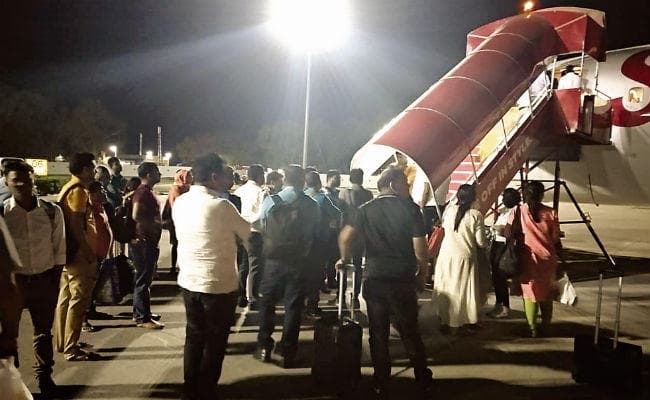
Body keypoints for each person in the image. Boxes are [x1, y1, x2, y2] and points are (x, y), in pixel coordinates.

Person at [337, 166, 433, 397]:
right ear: (392, 184)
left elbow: (345, 237)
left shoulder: (365, 209)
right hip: (402, 280)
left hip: (375, 279)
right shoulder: (411, 209)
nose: (407, 188)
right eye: (405, 183)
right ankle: (422, 376)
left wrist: (344, 259)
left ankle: (381, 380)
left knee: (378, 333)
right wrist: (422, 275)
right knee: (410, 330)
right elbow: (421, 249)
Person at [173, 153, 251, 400]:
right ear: (214, 176)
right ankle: (206, 391)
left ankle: (190, 389)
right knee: (215, 342)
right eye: (226, 173)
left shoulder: (181, 202)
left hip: (189, 280)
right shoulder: (221, 206)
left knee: (194, 337)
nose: (229, 178)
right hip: (218, 285)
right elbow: (248, 233)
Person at [1, 160, 66, 398]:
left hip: (43, 280)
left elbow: (59, 249)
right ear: (6, 182)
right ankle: (15, 382)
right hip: (14, 284)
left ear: (33, 180)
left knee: (43, 332)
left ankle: (44, 376)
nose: (21, 184)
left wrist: (55, 281)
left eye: (26, 179)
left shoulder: (51, 211)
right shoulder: (3, 214)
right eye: (15, 180)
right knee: (10, 334)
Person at [255, 164, 320, 368]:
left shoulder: (272, 200)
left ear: (285, 180)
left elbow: (262, 225)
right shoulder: (312, 204)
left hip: (274, 260)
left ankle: (264, 345)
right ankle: (287, 350)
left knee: (267, 302)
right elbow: (314, 231)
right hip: (300, 261)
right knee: (293, 306)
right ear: (302, 181)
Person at [55, 152, 100, 361]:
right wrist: (88, 251)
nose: (95, 170)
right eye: (93, 167)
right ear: (84, 169)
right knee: (78, 300)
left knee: (65, 298)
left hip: (68, 253)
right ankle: (71, 348)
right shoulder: (78, 191)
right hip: (79, 255)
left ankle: (63, 342)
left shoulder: (68, 186)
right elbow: (76, 224)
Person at [506, 181, 560, 338]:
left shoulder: (518, 211)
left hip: (527, 259)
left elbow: (508, 232)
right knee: (546, 294)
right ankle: (546, 325)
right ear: (542, 195)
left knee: (530, 294)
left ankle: (532, 328)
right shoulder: (551, 213)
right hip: (547, 259)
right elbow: (555, 237)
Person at [432, 184, 488, 334]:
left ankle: (445, 320)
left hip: (445, 256)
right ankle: (458, 323)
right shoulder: (475, 215)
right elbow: (481, 242)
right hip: (465, 257)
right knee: (462, 292)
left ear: (458, 196)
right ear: (473, 198)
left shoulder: (449, 211)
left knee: (447, 288)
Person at [131, 162, 164, 329]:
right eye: (157, 171)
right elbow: (136, 215)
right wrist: (153, 226)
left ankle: (142, 312)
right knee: (143, 279)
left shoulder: (147, 191)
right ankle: (142, 318)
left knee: (145, 278)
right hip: (144, 242)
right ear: (149, 174)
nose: (160, 174)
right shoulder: (143, 192)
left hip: (148, 241)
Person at [304, 171, 341, 318]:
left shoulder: (303, 196)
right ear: (319, 182)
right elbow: (337, 214)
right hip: (319, 240)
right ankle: (312, 306)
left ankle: (300, 304)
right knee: (315, 274)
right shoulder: (322, 198)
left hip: (301, 240)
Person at [336, 168, 372, 307]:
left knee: (343, 263)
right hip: (361, 234)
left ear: (350, 179)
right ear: (362, 178)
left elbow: (340, 213)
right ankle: (355, 296)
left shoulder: (344, 193)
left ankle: (340, 295)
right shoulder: (368, 194)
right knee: (358, 265)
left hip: (346, 232)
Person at [234, 164, 268, 309]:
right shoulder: (261, 192)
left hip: (240, 231)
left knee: (243, 265)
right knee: (255, 265)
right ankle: (253, 297)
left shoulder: (239, 190)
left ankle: (241, 296)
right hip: (255, 232)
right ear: (259, 176)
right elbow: (263, 214)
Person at [82, 181, 114, 332]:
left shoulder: (101, 207)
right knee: (86, 289)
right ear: (91, 194)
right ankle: (83, 320)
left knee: (95, 287)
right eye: (100, 190)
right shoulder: (87, 210)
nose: (104, 192)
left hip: (102, 254)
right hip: (92, 255)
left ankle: (91, 311)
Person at [487, 188, 521, 319]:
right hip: (497, 244)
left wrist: (496, 228)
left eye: (505, 198)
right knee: (496, 278)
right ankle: (498, 304)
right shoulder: (505, 211)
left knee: (501, 278)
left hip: (504, 246)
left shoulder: (516, 212)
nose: (502, 200)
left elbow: (508, 230)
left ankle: (504, 306)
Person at [163, 169, 193, 275]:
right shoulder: (177, 189)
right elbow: (177, 205)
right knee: (177, 244)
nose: (191, 178)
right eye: (188, 176)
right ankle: (173, 267)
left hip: (183, 221)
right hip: (176, 221)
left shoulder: (186, 188)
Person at [323, 169, 342, 290]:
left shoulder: (338, 193)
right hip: (328, 229)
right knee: (327, 256)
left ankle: (331, 279)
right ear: (329, 178)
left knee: (334, 256)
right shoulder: (325, 194)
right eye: (337, 178)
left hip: (337, 229)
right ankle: (326, 280)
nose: (339, 180)